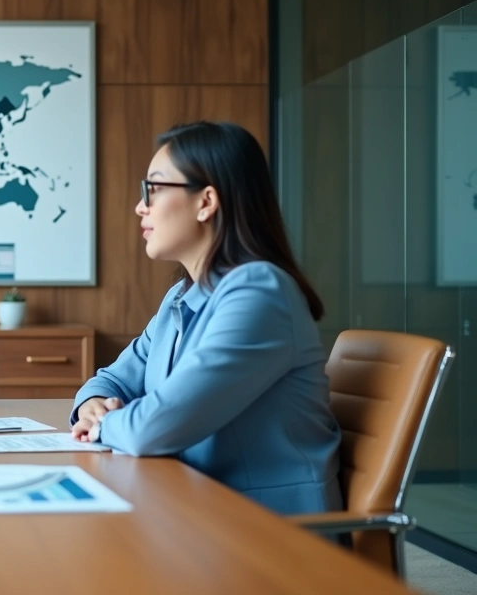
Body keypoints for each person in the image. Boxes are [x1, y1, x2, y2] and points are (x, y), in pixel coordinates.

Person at [70, 121, 342, 516]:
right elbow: (112, 381)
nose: (141, 206)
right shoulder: (181, 297)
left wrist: (102, 426)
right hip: (197, 507)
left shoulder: (259, 294)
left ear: (206, 201)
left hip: (268, 528)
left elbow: (154, 427)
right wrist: (92, 404)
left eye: (154, 188)